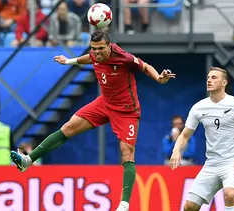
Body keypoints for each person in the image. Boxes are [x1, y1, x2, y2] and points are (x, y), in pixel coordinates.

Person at [10, 31, 175, 211]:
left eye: (100, 49)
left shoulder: (124, 58)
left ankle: (124, 203)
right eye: (94, 48)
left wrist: (159, 78)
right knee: (68, 127)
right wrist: (69, 61)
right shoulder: (95, 55)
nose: (96, 52)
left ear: (109, 46)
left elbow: (144, 66)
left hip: (126, 110)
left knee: (127, 152)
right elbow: (88, 58)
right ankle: (28, 160)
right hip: (104, 103)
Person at [169, 67, 234, 211]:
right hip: (211, 164)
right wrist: (176, 150)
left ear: (224, 82)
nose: (209, 80)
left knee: (230, 194)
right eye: (208, 77)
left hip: (233, 163)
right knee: (189, 206)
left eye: (214, 77)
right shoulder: (198, 108)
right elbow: (185, 135)